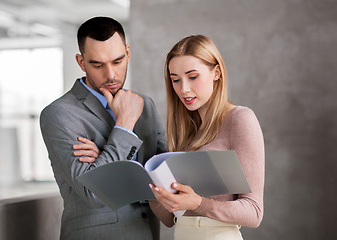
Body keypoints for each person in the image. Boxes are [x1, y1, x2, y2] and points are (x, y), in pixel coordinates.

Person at [40, 16, 167, 240]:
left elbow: (166, 175)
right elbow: (95, 192)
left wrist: (104, 160)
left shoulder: (145, 106)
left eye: (117, 61)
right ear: (81, 62)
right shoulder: (59, 114)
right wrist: (125, 125)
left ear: (128, 53)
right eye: (98, 65)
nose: (110, 75)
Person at [146, 35, 265, 239]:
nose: (183, 89)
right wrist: (149, 189)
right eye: (176, 80)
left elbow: (254, 212)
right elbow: (169, 219)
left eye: (192, 77)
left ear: (216, 72)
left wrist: (199, 203)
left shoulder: (239, 119)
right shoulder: (188, 132)